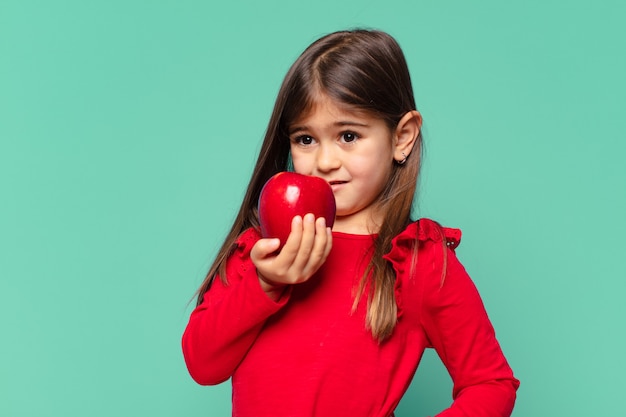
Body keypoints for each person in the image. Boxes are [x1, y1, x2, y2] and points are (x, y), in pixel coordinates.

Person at [182, 29, 519, 416]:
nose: (324, 161)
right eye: (305, 140)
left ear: (402, 137)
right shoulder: (264, 249)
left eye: (348, 135)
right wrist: (266, 283)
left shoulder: (416, 262)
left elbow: (491, 383)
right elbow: (202, 364)